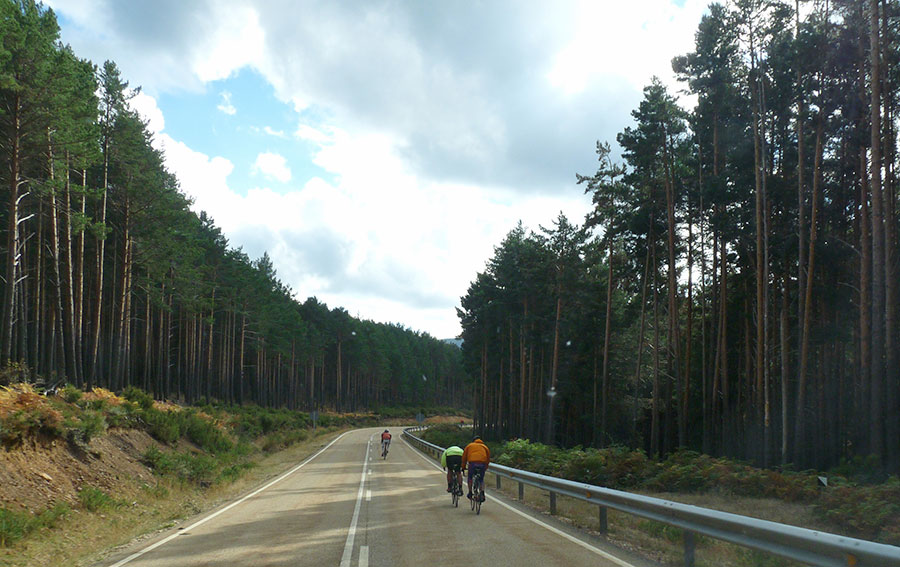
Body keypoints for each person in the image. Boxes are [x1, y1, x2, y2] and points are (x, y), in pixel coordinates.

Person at [461, 434, 490, 501]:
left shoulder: (469, 446)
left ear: (473, 441)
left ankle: (470, 492)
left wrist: (463, 467)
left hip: (473, 464)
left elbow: (464, 457)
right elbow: (488, 458)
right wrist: (486, 467)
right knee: (481, 479)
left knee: (470, 477)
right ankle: (482, 492)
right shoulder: (485, 446)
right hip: (482, 464)